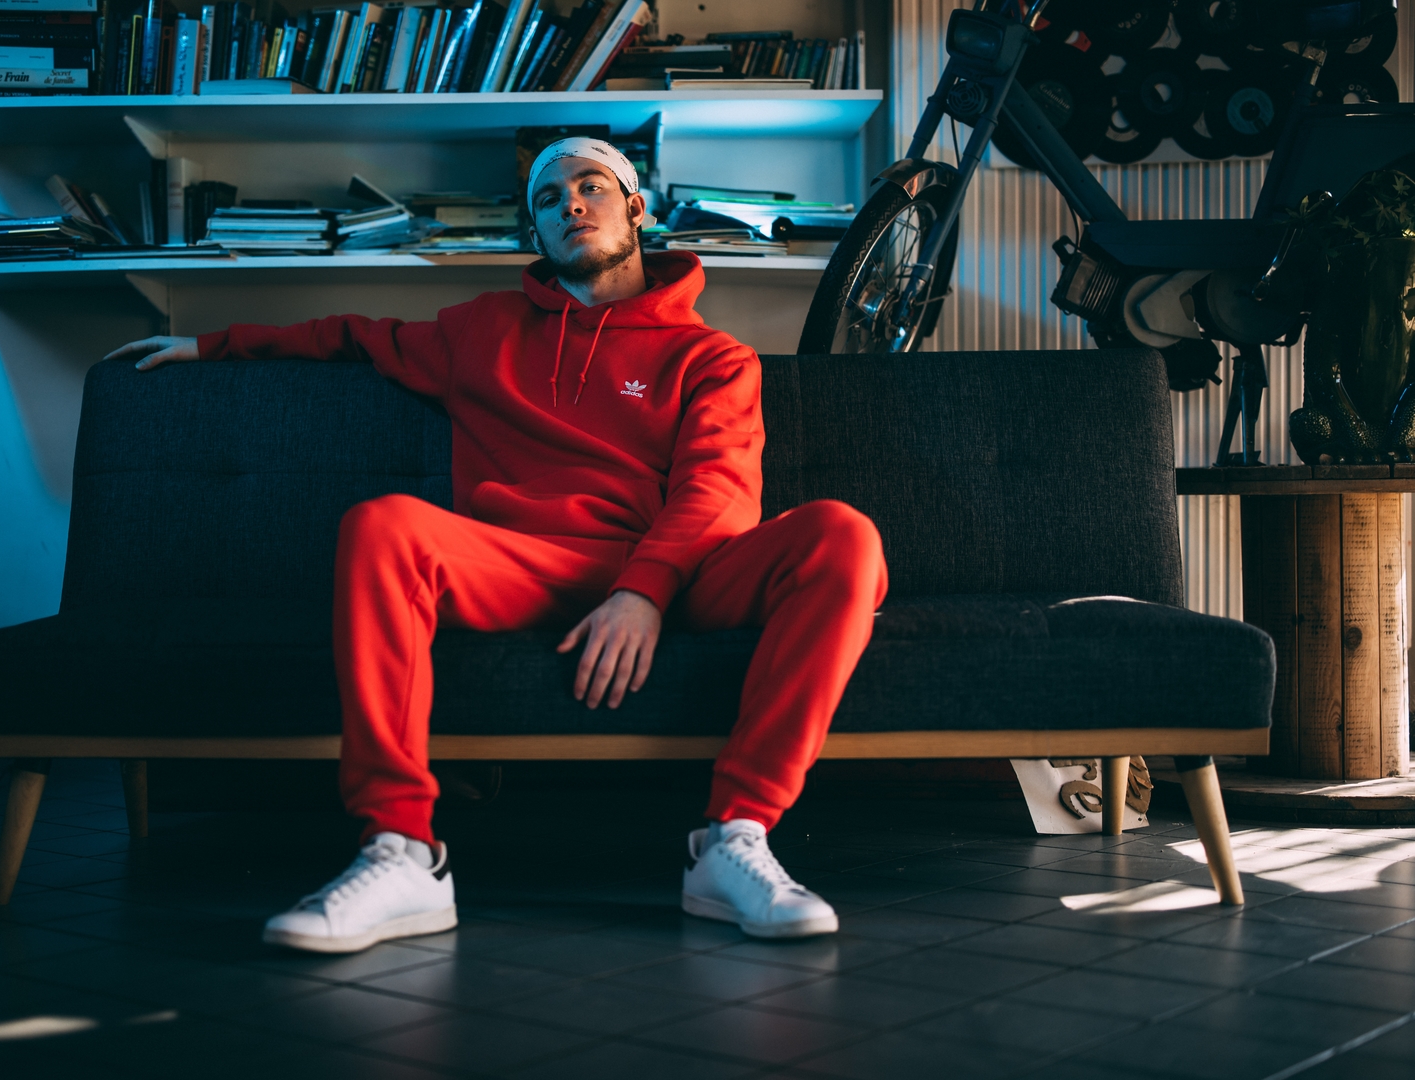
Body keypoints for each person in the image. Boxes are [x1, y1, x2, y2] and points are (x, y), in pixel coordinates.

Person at [106, 138, 888, 954]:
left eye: (591, 187)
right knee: (382, 525)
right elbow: (350, 336)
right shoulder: (477, 332)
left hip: (676, 574)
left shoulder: (709, 356)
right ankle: (401, 849)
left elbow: (717, 492)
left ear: (636, 210)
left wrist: (641, 593)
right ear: (535, 232)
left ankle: (734, 838)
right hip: (523, 564)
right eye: (549, 199)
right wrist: (208, 347)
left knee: (841, 535)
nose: (571, 203)